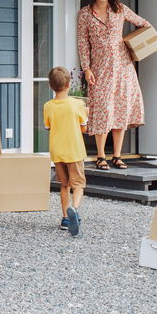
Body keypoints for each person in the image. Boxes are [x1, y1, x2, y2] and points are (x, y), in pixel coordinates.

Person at [75, 0, 157, 171]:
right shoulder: (85, 13)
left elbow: (144, 23)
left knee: (120, 110)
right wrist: (87, 68)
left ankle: (117, 156)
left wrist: (156, 41)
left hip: (122, 67)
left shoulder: (120, 9)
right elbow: (83, 43)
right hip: (99, 68)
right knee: (102, 111)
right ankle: (100, 156)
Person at [43, 66, 89, 235]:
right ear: (69, 84)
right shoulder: (77, 104)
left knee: (64, 185)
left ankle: (65, 218)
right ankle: (75, 210)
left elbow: (48, 127)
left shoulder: (48, 106)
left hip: (58, 152)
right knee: (78, 185)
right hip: (74, 151)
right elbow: (83, 129)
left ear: (50, 85)